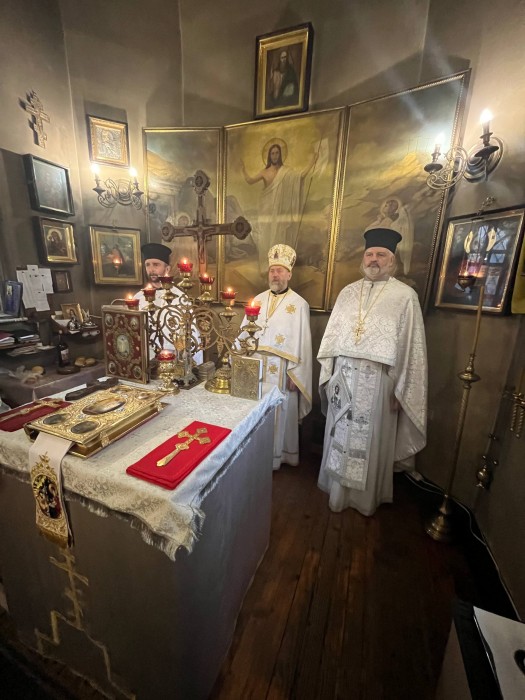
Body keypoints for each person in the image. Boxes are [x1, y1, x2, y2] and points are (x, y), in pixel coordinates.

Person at [317, 228, 427, 516]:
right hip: (343, 376)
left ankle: (366, 500)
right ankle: (336, 491)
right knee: (339, 432)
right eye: (369, 254)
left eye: (381, 254)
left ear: (392, 261)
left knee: (371, 437)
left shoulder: (405, 296)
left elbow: (411, 349)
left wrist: (401, 390)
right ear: (363, 258)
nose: (374, 259)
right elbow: (332, 339)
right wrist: (329, 375)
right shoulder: (347, 292)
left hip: (379, 382)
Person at [240, 244, 312, 469]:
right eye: (272, 270)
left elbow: (303, 344)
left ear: (289, 274)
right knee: (252, 410)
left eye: (280, 271)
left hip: (282, 370)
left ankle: (276, 457)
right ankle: (252, 454)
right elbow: (243, 334)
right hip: (256, 365)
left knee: (279, 411)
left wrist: (296, 375)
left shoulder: (299, 304)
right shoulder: (257, 300)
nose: (275, 275)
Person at [240, 141, 318, 273]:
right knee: (267, 238)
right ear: (269, 156)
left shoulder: (286, 172)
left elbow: (300, 177)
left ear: (280, 155)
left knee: (279, 238)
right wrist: (243, 169)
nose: (275, 156)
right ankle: (266, 266)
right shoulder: (265, 172)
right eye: (272, 153)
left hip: (281, 212)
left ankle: (278, 266)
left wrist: (312, 162)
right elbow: (250, 181)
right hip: (267, 211)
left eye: (277, 153)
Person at [134, 242, 202, 362]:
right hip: (146, 358)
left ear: (167, 269)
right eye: (147, 265)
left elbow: (191, 333)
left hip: (174, 359)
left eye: (156, 265)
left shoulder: (180, 297)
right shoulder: (138, 298)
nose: (151, 269)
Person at [366, 197, 414, 276]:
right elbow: (368, 230)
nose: (384, 207)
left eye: (386, 206)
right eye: (385, 205)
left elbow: (372, 230)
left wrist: (378, 221)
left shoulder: (389, 220)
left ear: (392, 208)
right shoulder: (384, 219)